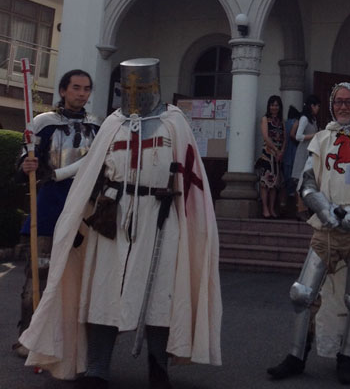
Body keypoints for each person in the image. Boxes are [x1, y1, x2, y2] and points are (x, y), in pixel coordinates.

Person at [19, 57, 221, 388]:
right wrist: (52, 174)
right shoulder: (113, 123)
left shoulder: (174, 121)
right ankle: (98, 367)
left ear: (153, 84)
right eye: (129, 86)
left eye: (141, 86)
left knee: (161, 293)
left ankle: (158, 367)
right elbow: (90, 167)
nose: (135, 93)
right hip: (113, 216)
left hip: (160, 214)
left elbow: (191, 173)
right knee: (103, 290)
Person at [267, 82, 350, 386]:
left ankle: (347, 357)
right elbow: (308, 183)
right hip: (326, 226)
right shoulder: (323, 138)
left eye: (348, 102)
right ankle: (296, 355)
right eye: (337, 101)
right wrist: (327, 212)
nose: (342, 106)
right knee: (303, 293)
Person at [14, 69, 99, 354]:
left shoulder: (97, 126)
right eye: (76, 87)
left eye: (86, 88)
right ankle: (30, 338)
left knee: (78, 279)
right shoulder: (43, 123)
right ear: (63, 90)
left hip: (86, 212)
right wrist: (25, 165)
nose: (81, 93)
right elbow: (24, 161)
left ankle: (69, 339)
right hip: (49, 209)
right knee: (38, 277)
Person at [291, 95, 321, 220]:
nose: (318, 108)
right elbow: (298, 136)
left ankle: (304, 208)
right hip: (303, 151)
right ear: (312, 106)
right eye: (317, 106)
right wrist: (314, 135)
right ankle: (300, 209)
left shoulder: (312, 120)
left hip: (310, 151)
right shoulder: (304, 119)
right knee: (301, 180)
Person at [256, 95, 286, 218]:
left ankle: (272, 208)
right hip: (267, 155)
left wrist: (282, 151)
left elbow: (284, 137)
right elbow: (266, 137)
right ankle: (265, 208)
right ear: (269, 106)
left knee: (274, 184)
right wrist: (275, 149)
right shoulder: (265, 119)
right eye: (272, 105)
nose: (274, 107)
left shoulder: (281, 121)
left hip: (278, 157)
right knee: (265, 183)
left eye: (277, 105)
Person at [282, 105, 301, 204]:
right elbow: (293, 135)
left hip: (284, 152)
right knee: (294, 177)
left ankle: (283, 203)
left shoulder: (285, 123)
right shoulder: (296, 122)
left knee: (285, 177)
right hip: (293, 150)